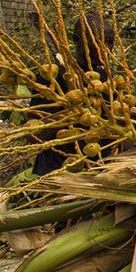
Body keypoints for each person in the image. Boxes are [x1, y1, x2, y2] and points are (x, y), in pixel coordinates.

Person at [30, 14, 115, 175]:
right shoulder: (52, 75)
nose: (106, 48)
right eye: (97, 41)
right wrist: (71, 110)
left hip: (97, 171)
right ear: (76, 40)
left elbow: (114, 120)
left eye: (110, 41)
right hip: (59, 172)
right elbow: (34, 135)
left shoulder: (103, 76)